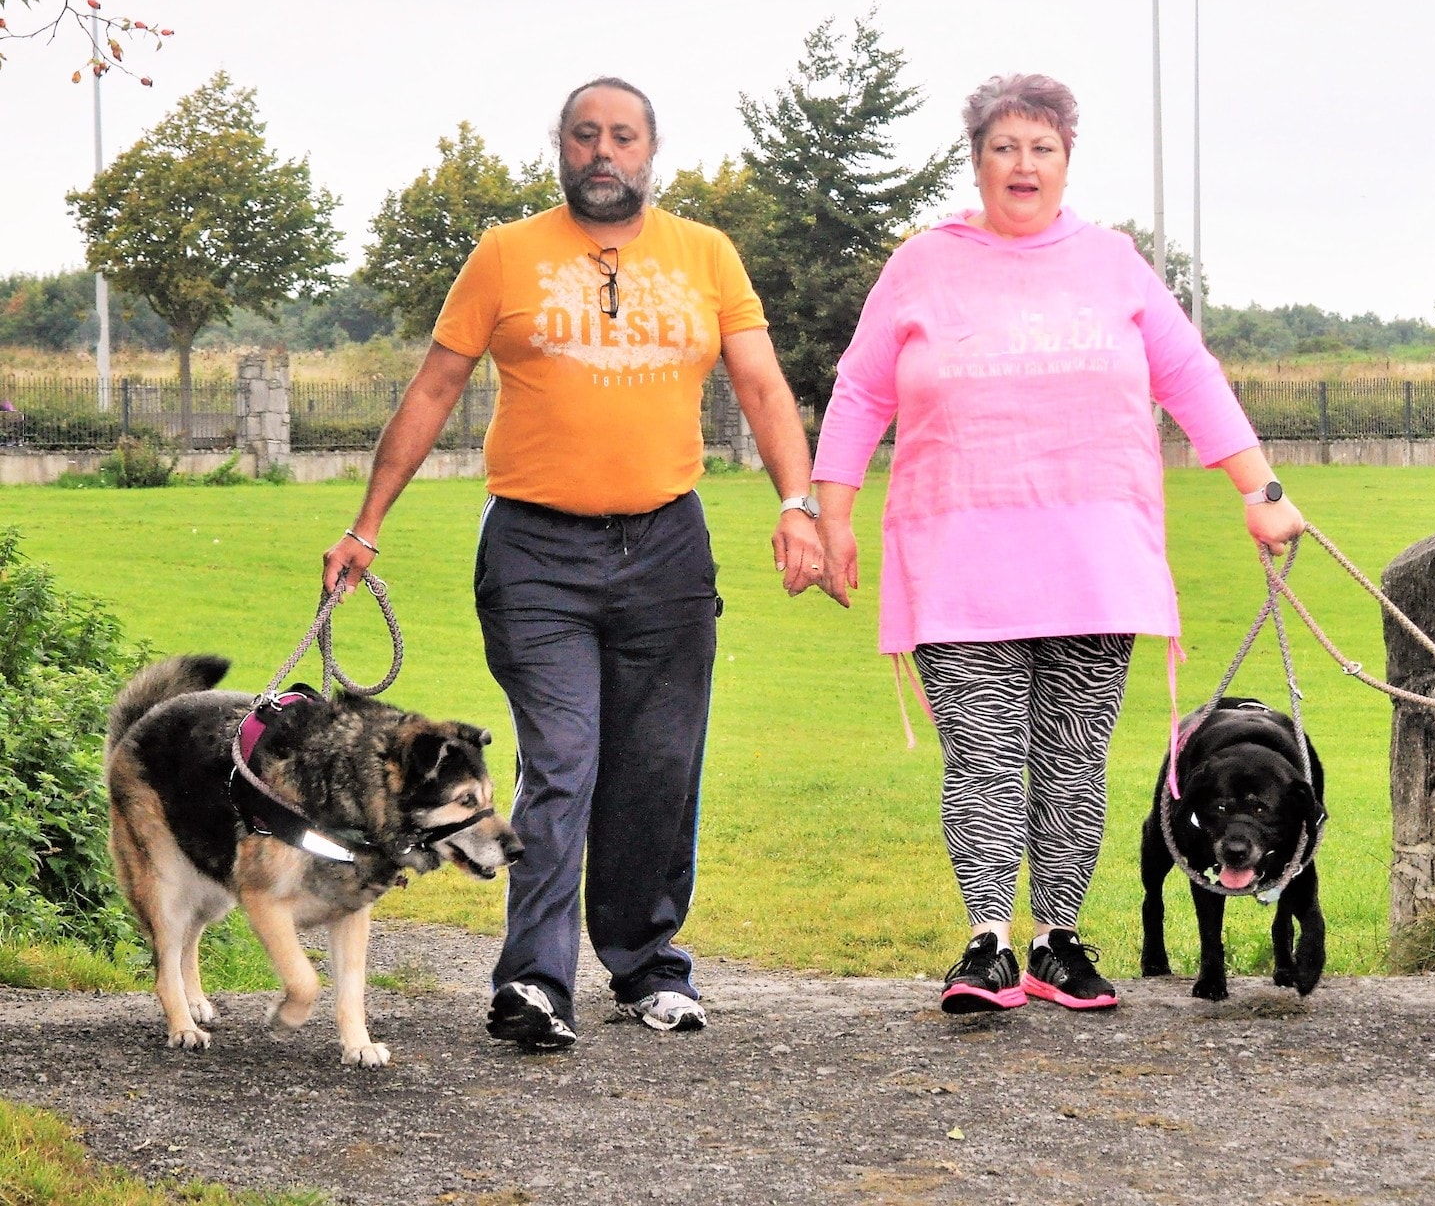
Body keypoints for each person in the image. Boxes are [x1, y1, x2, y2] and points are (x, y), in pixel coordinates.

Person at [321, 76, 822, 1049]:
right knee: (564, 760)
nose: (603, 149)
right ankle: (533, 980)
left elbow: (761, 385)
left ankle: (645, 964)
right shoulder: (505, 256)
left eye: (622, 135)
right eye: (585, 134)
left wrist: (796, 506)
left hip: (666, 549)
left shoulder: (706, 256)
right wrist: (366, 522)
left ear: (649, 149)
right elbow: (432, 392)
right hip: (535, 553)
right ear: (562, 147)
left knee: (658, 768)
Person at [809, 73, 1304, 1014]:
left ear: (1067, 161)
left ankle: (1059, 939)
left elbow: (1189, 375)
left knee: (1074, 756)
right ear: (978, 161)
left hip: (1095, 560)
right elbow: (861, 391)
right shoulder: (922, 264)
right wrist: (830, 516)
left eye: (1042, 148)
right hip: (958, 559)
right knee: (987, 758)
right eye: (1005, 147)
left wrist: (1260, 489)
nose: (1022, 164)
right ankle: (988, 940)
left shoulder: (1113, 262)